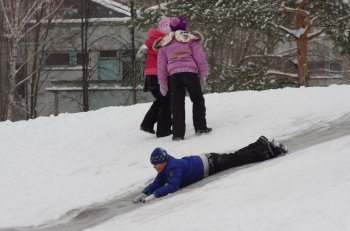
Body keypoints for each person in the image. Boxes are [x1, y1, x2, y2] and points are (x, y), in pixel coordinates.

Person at [133, 136, 288, 203]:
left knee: (237, 159)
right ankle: (260, 144)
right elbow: (158, 181)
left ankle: (270, 151)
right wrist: (145, 192)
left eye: (156, 164)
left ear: (163, 162)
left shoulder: (174, 167)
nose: (154, 167)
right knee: (235, 156)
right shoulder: (166, 168)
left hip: (211, 164)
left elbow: (173, 186)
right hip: (207, 159)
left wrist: (154, 196)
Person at [154, 16, 211, 141]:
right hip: (190, 73)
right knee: (197, 100)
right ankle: (200, 127)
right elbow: (200, 57)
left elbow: (161, 66)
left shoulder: (165, 43)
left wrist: (162, 83)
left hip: (175, 76)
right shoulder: (189, 38)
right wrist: (203, 74)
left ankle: (178, 134)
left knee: (177, 105)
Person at [139, 17, 172, 138]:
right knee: (167, 102)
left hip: (150, 76)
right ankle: (163, 130)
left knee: (161, 100)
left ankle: (147, 124)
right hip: (158, 75)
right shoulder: (163, 41)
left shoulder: (154, 40)